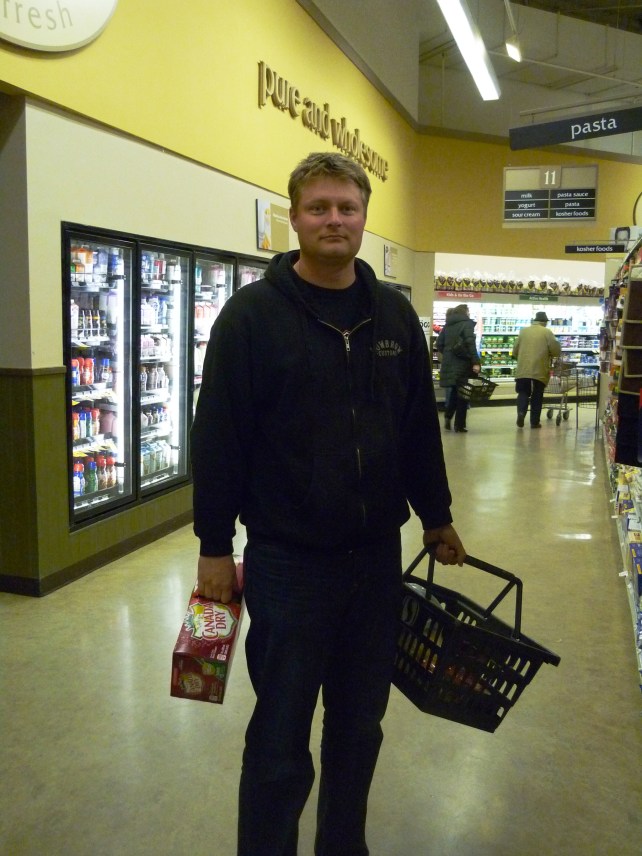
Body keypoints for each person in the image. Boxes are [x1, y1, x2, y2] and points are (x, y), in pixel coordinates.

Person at [190, 151, 466, 856]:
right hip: (287, 564)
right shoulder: (250, 318)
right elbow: (218, 436)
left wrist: (436, 515)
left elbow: (415, 430)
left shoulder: (395, 318)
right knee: (280, 733)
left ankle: (344, 845)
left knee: (358, 727)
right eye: (319, 207)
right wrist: (214, 546)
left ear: (364, 218)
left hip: (375, 564)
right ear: (295, 216)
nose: (334, 220)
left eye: (347, 207)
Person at [435, 303, 481, 432]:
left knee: (455, 393)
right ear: (464, 312)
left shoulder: (448, 325)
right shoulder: (466, 324)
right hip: (463, 364)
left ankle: (448, 416)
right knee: (463, 395)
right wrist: (476, 362)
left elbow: (439, 343)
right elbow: (470, 344)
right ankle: (459, 425)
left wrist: (449, 353)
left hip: (449, 364)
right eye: (468, 311)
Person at [512, 310, 561, 428]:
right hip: (539, 369)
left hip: (523, 369)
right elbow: (555, 351)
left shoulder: (523, 331)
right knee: (537, 395)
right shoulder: (547, 332)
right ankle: (534, 422)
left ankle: (521, 413)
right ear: (544, 322)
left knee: (523, 392)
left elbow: (515, 351)